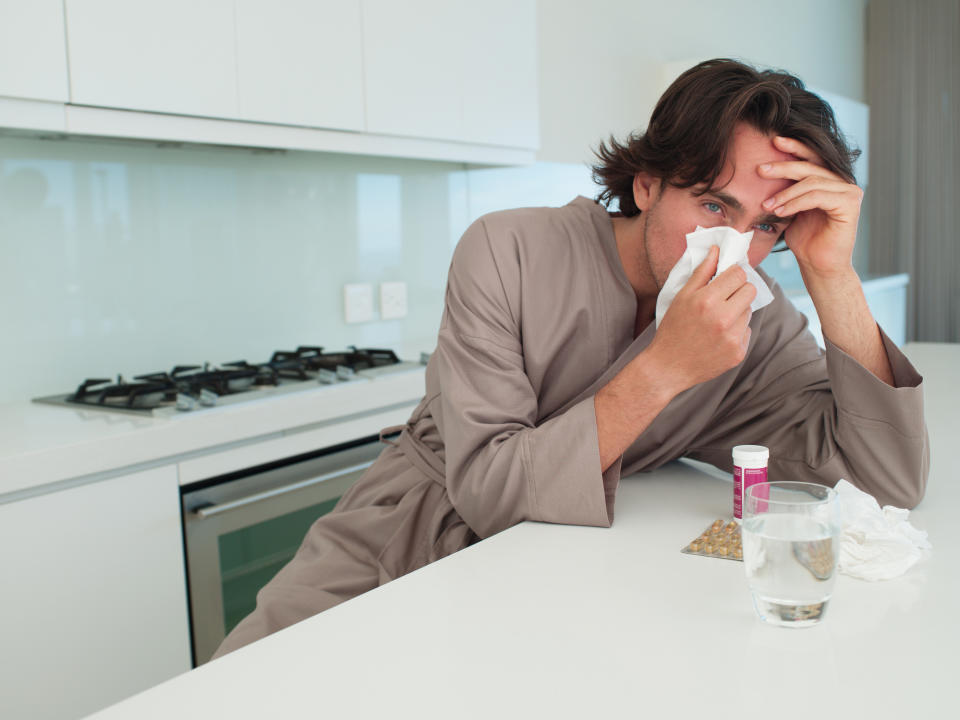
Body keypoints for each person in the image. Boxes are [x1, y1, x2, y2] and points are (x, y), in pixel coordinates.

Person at [213, 59, 929, 659]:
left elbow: (884, 481)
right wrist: (668, 367)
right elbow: (489, 492)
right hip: (403, 540)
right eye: (715, 207)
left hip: (569, 583)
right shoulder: (508, 251)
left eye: (767, 226)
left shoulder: (758, 319)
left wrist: (830, 274)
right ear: (647, 183)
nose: (736, 248)